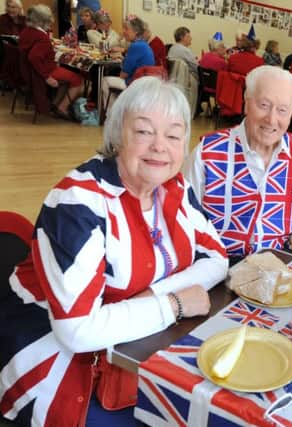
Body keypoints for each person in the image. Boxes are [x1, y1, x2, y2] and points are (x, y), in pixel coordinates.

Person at [0, 77, 229, 426]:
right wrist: (175, 304)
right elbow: (77, 331)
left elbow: (216, 257)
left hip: (139, 344)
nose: (159, 147)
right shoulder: (78, 203)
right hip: (55, 361)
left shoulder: (174, 187)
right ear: (117, 134)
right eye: (143, 131)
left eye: (173, 134)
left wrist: (151, 295)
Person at [184, 66, 292, 269]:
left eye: (282, 110)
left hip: (277, 267)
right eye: (264, 105)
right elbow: (185, 223)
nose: (271, 119)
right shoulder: (208, 152)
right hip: (216, 266)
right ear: (246, 102)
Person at [19, 5, 84, 119]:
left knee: (67, 76)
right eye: (49, 20)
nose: (51, 22)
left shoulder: (26, 31)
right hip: (44, 71)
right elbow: (34, 57)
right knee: (78, 79)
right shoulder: (41, 37)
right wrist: (47, 77)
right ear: (42, 21)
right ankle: (62, 107)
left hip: (28, 70)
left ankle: (54, 104)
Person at [101, 16, 154, 109]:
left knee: (104, 81)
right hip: (146, 83)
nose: (123, 32)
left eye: (126, 29)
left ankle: (112, 113)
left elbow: (123, 75)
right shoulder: (143, 44)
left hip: (137, 85)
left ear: (136, 31)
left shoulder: (135, 46)